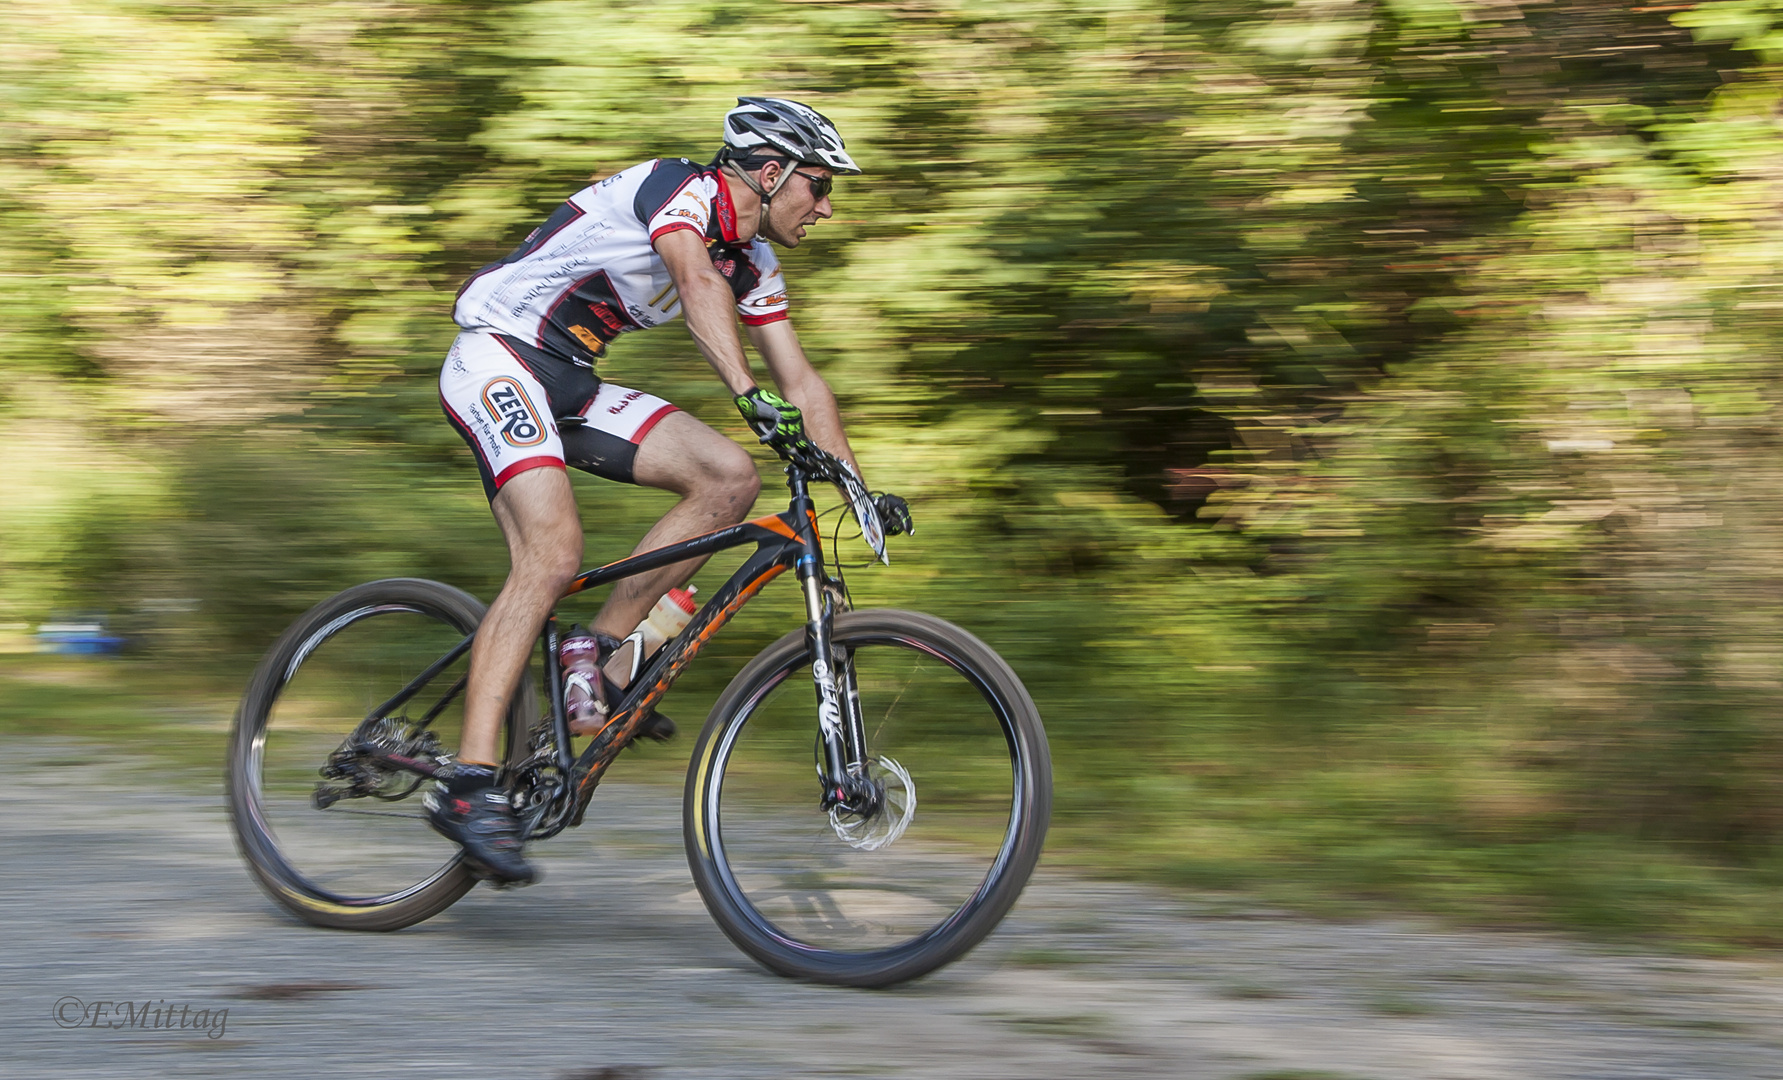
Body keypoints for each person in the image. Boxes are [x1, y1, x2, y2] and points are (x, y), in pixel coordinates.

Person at [427, 97, 910, 884]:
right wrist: (746, 394)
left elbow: (805, 381)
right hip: (497, 357)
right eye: (818, 187)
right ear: (769, 170)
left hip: (570, 383)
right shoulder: (678, 190)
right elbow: (693, 282)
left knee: (728, 477)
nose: (825, 208)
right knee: (551, 554)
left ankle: (601, 652)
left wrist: (857, 489)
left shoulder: (754, 261)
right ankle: (470, 783)